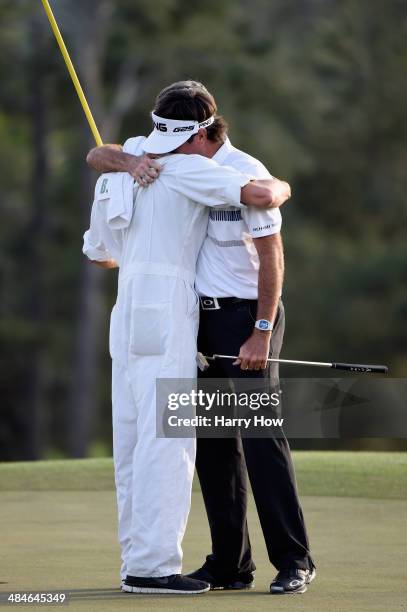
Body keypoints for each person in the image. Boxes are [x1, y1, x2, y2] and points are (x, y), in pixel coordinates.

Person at [87, 80, 315, 595]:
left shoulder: (242, 170)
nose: (164, 150)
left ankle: (294, 560)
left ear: (205, 132)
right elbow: (101, 153)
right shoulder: (160, 159)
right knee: (214, 447)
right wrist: (125, 164)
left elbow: (272, 251)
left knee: (259, 439)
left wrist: (260, 329)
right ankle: (231, 563)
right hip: (197, 322)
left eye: (178, 140)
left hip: (248, 319)